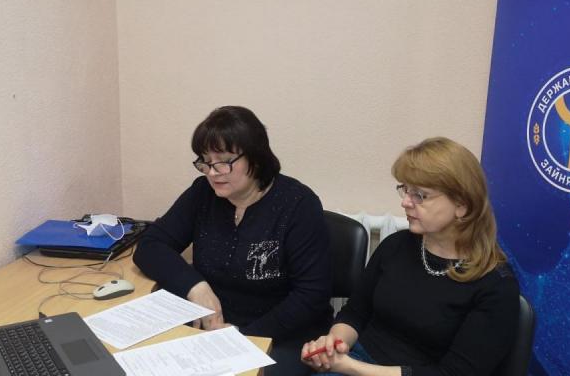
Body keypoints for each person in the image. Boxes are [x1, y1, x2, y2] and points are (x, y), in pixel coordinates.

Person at [134, 106, 333, 376]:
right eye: (206, 162)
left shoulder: (298, 204)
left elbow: (311, 296)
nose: (213, 172)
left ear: (256, 158)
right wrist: (196, 288)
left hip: (282, 333)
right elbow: (150, 245)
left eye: (224, 161)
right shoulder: (202, 194)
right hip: (213, 326)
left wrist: (241, 336)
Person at [301, 137, 520, 376]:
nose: (405, 202)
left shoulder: (496, 285)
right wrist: (333, 345)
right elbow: (355, 313)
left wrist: (351, 367)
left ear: (462, 205)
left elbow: (453, 374)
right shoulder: (396, 246)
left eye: (420, 195)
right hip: (357, 361)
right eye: (406, 190)